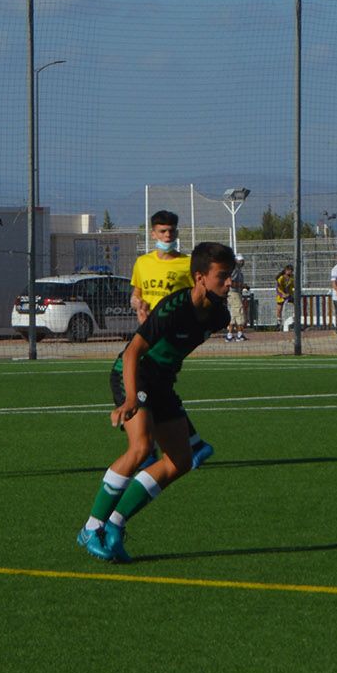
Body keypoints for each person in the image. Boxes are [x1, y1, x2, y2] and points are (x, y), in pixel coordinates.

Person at [80, 241, 239, 563]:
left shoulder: (219, 315)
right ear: (200, 277)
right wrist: (129, 398)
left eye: (230, 275)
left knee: (181, 460)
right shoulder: (173, 308)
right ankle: (91, 529)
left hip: (162, 382)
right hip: (135, 374)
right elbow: (132, 353)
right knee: (140, 448)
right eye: (222, 276)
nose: (229, 282)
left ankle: (115, 523)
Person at [130, 210, 215, 469]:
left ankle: (147, 451)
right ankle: (194, 444)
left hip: (170, 336)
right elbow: (136, 293)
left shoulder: (187, 264)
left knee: (140, 381)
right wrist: (138, 305)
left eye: (172, 231)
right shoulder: (142, 263)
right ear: (153, 233)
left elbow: (200, 295)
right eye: (163, 231)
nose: (168, 235)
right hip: (149, 332)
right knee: (153, 386)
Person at [223, 266, 249, 342]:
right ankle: (239, 334)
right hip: (234, 293)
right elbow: (231, 282)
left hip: (236, 293)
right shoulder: (234, 271)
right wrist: (242, 286)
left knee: (233, 315)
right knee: (239, 312)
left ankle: (230, 335)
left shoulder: (239, 271)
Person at [275, 263, 296, 332]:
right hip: (281, 294)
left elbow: (292, 286)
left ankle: (294, 319)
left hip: (289, 294)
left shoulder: (291, 278)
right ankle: (278, 322)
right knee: (279, 307)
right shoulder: (281, 278)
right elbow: (278, 288)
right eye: (289, 270)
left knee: (295, 304)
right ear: (285, 270)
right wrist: (282, 294)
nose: (290, 272)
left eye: (291, 270)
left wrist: (292, 293)